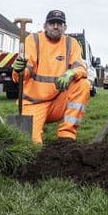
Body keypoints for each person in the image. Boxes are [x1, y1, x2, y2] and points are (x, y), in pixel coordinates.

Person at [11, 10, 91, 144]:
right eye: (52, 23)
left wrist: (71, 73)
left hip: (58, 102)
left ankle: (66, 135)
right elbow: (25, 72)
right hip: (34, 102)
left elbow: (81, 67)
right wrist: (19, 70)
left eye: (59, 24)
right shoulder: (33, 40)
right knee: (31, 144)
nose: (55, 26)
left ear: (65, 28)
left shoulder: (71, 43)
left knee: (83, 84)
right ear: (44, 26)